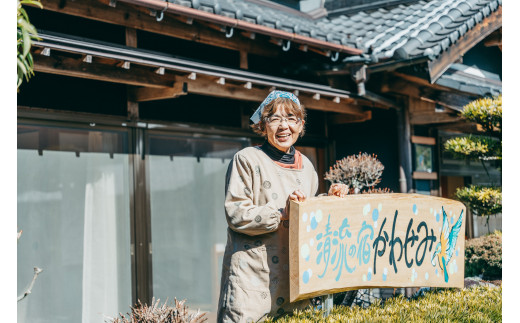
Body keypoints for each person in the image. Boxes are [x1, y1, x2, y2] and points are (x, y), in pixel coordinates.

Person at [217, 91, 348, 322]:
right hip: (252, 279)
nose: (283, 126)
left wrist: (328, 200)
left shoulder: (306, 166)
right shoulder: (247, 159)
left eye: (291, 118)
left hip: (294, 283)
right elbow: (235, 213)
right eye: (275, 118)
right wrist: (281, 213)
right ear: (263, 124)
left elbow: (307, 213)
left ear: (301, 124)